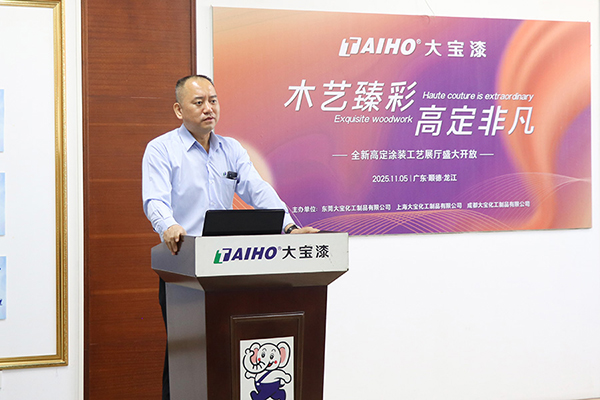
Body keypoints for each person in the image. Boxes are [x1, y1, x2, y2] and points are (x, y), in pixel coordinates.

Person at [142, 74, 318, 399]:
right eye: (199, 102)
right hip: (184, 265)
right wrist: (168, 225)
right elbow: (155, 199)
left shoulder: (231, 150)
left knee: (226, 348)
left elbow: (258, 189)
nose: (209, 108)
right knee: (184, 353)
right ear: (179, 110)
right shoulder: (161, 149)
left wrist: (289, 228)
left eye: (213, 100)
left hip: (225, 267)